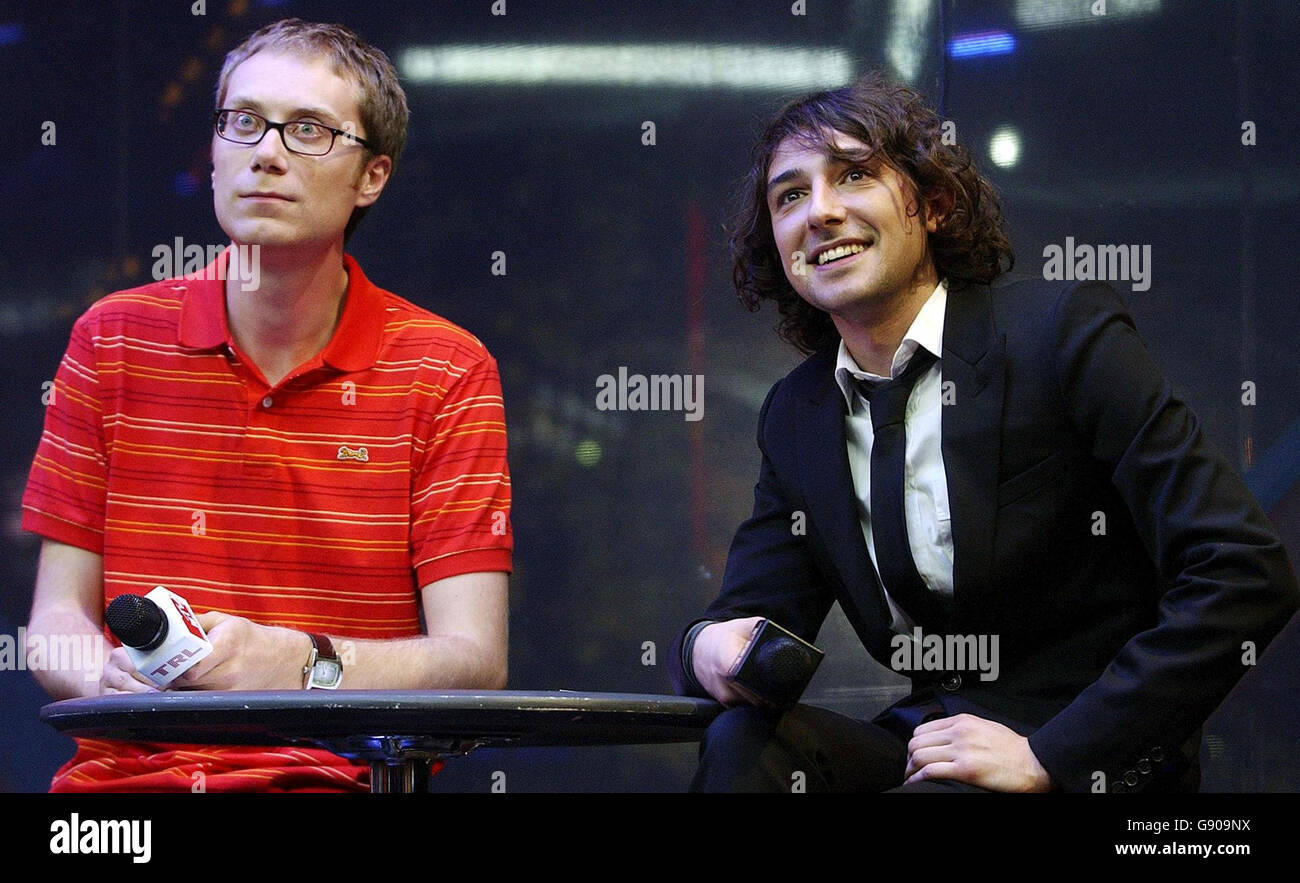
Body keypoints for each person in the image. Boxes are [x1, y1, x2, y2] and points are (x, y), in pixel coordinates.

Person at [668, 73, 1299, 793]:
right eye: (790, 195)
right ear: (778, 245)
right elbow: (749, 618)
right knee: (745, 742)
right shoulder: (798, 411)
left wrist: (1052, 755)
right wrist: (702, 647)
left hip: (1084, 754)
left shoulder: (1061, 335)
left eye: (854, 175)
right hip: (931, 740)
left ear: (933, 205)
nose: (821, 211)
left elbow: (1244, 570)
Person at [22, 19, 512, 792]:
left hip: (337, 778)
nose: (267, 151)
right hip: (122, 790)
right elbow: (53, 626)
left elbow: (475, 657)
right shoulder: (111, 337)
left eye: (310, 130)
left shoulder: (444, 368)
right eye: (244, 121)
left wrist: (297, 661)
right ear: (214, 148)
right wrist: (120, 685)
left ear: (372, 177)